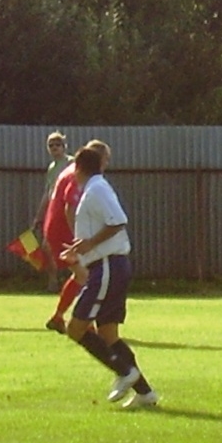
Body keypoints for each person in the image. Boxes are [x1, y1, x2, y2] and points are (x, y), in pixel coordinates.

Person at [60, 147, 158, 408]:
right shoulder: (94, 188)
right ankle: (145, 393)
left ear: (78, 166)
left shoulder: (96, 189)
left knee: (76, 328)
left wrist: (89, 245)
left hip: (107, 266)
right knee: (108, 334)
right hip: (106, 265)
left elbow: (117, 221)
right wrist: (80, 251)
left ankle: (125, 372)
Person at [42, 140, 109, 334]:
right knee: (87, 276)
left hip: (57, 230)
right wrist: (77, 238)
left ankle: (59, 317)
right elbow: (69, 206)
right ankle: (83, 322)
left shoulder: (74, 170)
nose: (106, 164)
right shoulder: (78, 175)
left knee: (82, 276)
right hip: (63, 232)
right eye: (105, 159)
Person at [33, 131, 74, 293]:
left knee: (72, 246)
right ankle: (53, 282)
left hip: (68, 208)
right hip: (53, 210)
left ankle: (79, 280)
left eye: (58, 144)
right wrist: (39, 215)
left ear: (64, 146)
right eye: (51, 145)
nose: (54, 148)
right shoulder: (52, 167)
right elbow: (48, 192)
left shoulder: (71, 163)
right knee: (47, 246)